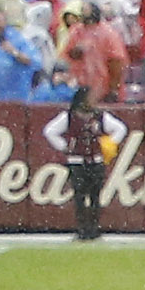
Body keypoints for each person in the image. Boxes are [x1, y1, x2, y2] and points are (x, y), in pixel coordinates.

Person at [46, 84, 112, 239]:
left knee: (95, 196)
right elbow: (50, 131)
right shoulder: (68, 117)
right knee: (80, 196)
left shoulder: (100, 116)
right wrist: (65, 146)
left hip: (95, 160)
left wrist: (107, 145)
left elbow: (120, 129)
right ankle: (82, 228)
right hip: (76, 161)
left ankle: (94, 228)